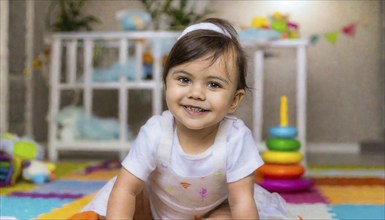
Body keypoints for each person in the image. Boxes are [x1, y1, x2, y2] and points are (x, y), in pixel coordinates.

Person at [74, 18, 293, 220]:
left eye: (213, 84)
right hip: (154, 210)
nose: (196, 93)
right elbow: (126, 189)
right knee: (118, 197)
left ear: (234, 100)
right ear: (166, 83)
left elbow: (241, 202)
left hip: (214, 209)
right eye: (184, 79)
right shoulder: (156, 132)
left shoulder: (235, 138)